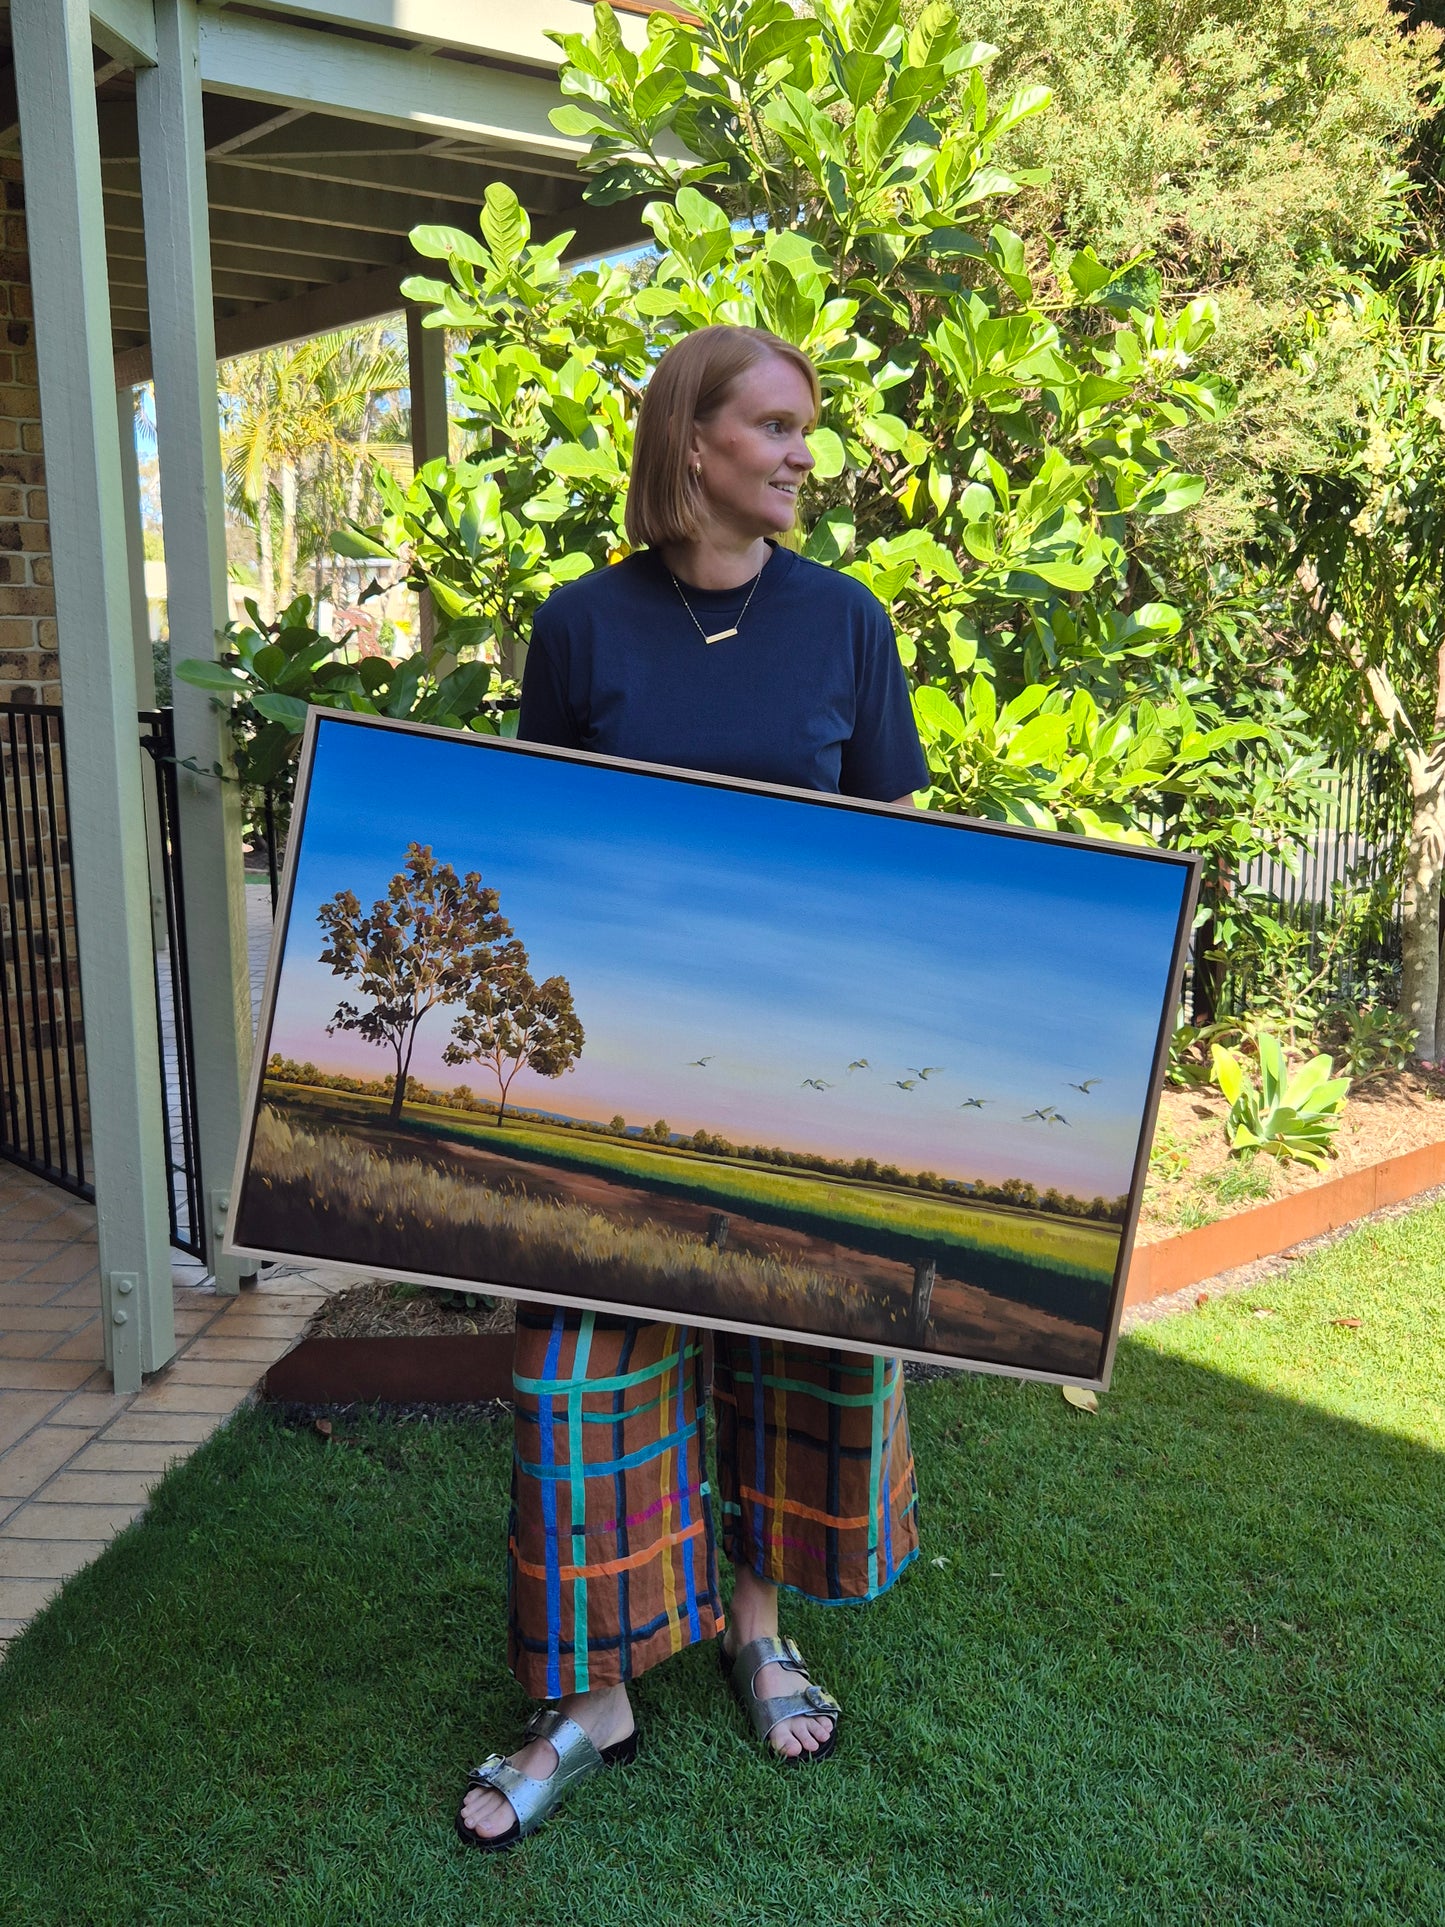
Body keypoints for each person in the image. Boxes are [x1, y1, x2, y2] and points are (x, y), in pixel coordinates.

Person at [456, 324, 928, 1851]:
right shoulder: (582, 626)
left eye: (805, 429)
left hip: (799, 1070)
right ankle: (592, 1692)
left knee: (783, 1354)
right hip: (612, 1075)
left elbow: (898, 857)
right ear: (696, 445)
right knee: (580, 1376)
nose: (804, 454)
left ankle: (755, 1624)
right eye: (777, 428)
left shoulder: (845, 623)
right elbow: (528, 854)